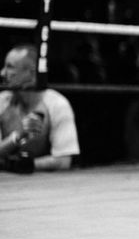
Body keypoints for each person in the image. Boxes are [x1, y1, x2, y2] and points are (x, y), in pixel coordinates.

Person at [0, 44, 80, 172]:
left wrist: (25, 165)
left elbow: (64, 161)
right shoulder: (2, 101)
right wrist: (18, 136)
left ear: (31, 73)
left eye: (10, 67)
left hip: (44, 184)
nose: (2, 73)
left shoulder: (57, 104)